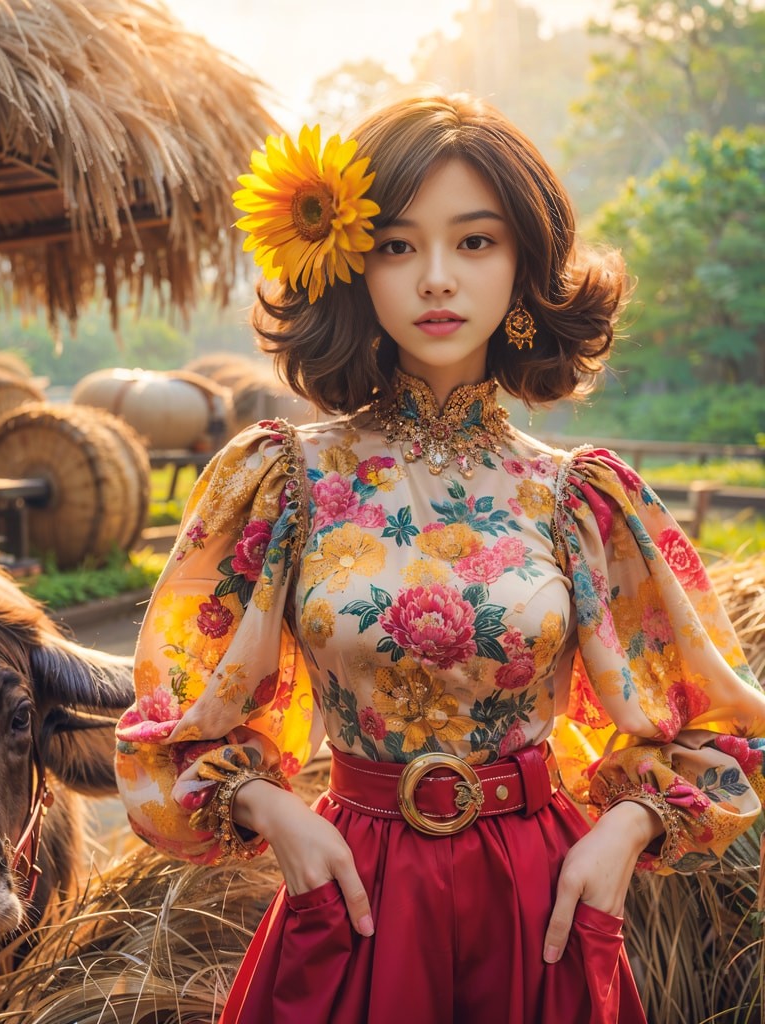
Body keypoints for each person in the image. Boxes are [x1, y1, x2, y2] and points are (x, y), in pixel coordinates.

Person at [114, 92, 765, 1024]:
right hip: (352, 893)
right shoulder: (282, 481)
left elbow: (730, 728)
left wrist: (625, 828)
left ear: (524, 263)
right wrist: (272, 808)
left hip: (538, 896)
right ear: (350, 266)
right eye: (396, 245)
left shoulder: (579, 498)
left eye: (474, 242)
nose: (435, 280)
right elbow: (170, 718)